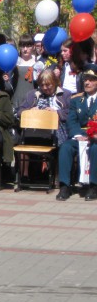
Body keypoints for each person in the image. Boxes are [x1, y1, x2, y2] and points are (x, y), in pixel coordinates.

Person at [54, 64, 97, 202]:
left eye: (91, 79)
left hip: (95, 138)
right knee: (66, 147)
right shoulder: (76, 100)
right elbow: (71, 121)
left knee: (95, 149)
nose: (87, 82)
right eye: (85, 79)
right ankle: (65, 186)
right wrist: (78, 135)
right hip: (80, 136)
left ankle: (93, 186)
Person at [17, 68, 71, 145]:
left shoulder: (65, 94)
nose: (45, 88)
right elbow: (19, 112)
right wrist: (30, 111)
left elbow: (71, 113)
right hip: (35, 131)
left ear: (54, 82)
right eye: (42, 85)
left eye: (48, 85)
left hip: (57, 133)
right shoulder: (32, 95)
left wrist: (57, 113)